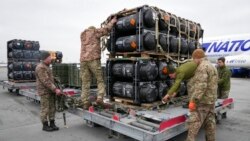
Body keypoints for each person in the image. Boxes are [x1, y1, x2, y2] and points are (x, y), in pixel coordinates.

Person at [80, 17, 117, 110]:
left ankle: (85, 102)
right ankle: (100, 98)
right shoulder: (94, 32)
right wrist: (112, 21)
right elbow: (106, 29)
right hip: (93, 59)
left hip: (83, 61)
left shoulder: (82, 35)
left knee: (85, 82)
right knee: (100, 80)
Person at [186, 48, 218, 141]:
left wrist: (193, 101)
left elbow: (201, 86)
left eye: (194, 59)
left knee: (194, 124)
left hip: (202, 102)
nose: (193, 61)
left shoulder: (202, 67)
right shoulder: (212, 66)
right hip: (211, 100)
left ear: (197, 57)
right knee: (210, 123)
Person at [35, 50, 62, 132]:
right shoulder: (41, 67)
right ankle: (45, 125)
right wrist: (55, 89)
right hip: (44, 92)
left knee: (52, 108)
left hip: (50, 91)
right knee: (45, 109)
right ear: (45, 58)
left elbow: (50, 78)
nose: (51, 59)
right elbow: (46, 81)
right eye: (49, 57)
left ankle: (52, 123)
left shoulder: (46, 66)